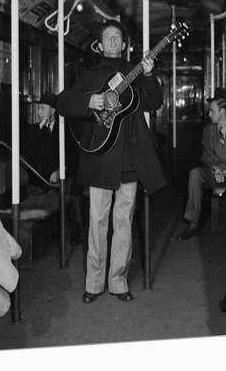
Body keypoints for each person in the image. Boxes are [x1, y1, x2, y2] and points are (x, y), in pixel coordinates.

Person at [57, 20, 166, 303]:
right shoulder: (90, 75)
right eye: (108, 37)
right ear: (100, 44)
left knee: (124, 222)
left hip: (130, 158)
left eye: (117, 37)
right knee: (98, 221)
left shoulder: (137, 72)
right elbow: (63, 102)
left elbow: (154, 102)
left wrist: (151, 75)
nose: (113, 41)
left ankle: (118, 281)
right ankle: (93, 283)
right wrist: (89, 101)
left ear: (124, 43)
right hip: (101, 157)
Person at [23, 92, 83, 245]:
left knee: (72, 189)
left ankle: (76, 231)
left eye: (42, 108)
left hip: (61, 174)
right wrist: (39, 130)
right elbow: (29, 155)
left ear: (52, 110)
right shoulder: (35, 130)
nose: (39, 112)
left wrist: (60, 170)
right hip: (41, 177)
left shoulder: (64, 129)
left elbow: (72, 154)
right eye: (38, 109)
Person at [175, 89, 226, 240]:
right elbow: (205, 155)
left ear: (222, 111)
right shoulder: (208, 130)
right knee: (195, 173)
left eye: (212, 111)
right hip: (215, 172)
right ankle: (193, 223)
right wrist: (216, 169)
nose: (209, 114)